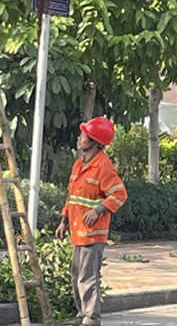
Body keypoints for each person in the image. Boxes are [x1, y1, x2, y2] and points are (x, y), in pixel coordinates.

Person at [54, 116, 128, 326]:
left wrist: (98, 210)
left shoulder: (104, 167)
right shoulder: (79, 164)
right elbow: (73, 197)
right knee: (77, 276)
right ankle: (81, 314)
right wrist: (64, 221)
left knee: (87, 278)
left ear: (95, 142)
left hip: (93, 234)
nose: (79, 138)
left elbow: (119, 194)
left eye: (83, 135)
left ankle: (91, 318)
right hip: (77, 232)